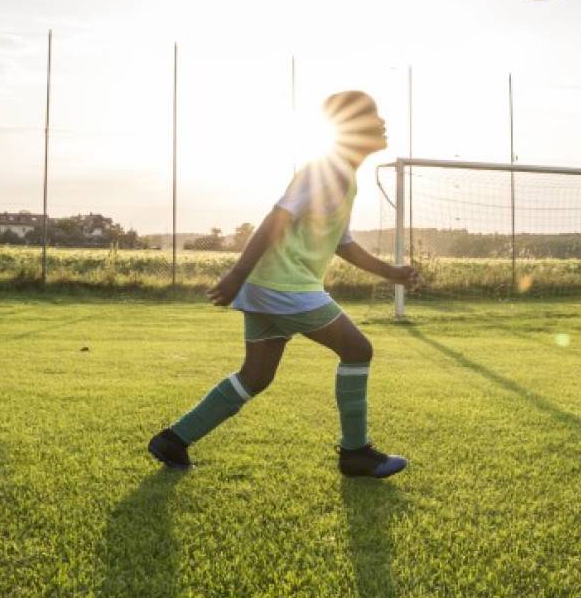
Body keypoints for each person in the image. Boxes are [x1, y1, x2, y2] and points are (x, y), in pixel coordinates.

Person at [148, 90, 418, 478]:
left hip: (269, 288)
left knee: (256, 376)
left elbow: (342, 244)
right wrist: (236, 273)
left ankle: (174, 439)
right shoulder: (327, 169)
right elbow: (276, 219)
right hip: (286, 287)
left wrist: (391, 273)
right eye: (373, 115)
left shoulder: (345, 177)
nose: (382, 122)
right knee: (358, 349)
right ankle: (356, 453)